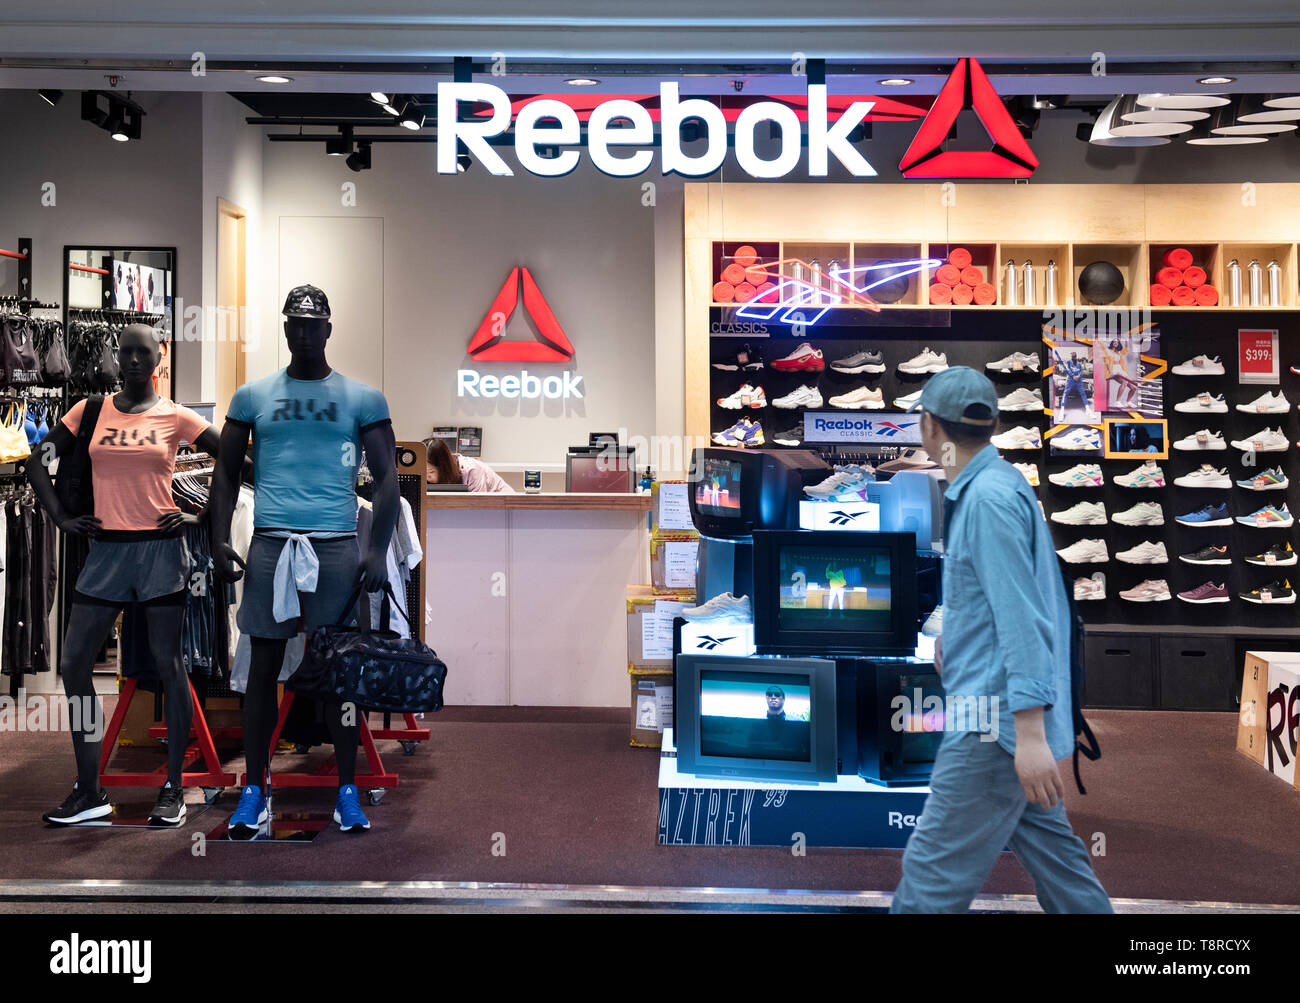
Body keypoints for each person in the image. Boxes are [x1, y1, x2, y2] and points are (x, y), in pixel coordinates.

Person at [892, 366, 1112, 913]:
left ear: (929, 426)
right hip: (1000, 714)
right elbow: (997, 597)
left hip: (992, 724)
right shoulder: (997, 483)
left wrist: (1030, 736)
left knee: (932, 873)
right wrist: (956, 639)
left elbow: (1023, 618)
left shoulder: (985, 500)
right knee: (1059, 865)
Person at [211, 284, 399, 837]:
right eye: (293, 322)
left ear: (328, 329)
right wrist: (220, 539)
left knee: (340, 674)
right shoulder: (252, 395)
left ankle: (346, 789)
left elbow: (388, 478)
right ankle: (255, 790)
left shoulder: (362, 398)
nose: (302, 332)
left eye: (312, 323)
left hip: (335, 545)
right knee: (262, 668)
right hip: (271, 542)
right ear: (285, 327)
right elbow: (224, 473)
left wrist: (377, 549)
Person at [29, 324, 223, 827]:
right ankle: (90, 789)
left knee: (169, 665)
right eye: (126, 353)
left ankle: (174, 789)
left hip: (160, 550)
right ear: (117, 358)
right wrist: (60, 518)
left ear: (160, 355)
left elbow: (236, 462)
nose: (134, 361)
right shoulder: (89, 411)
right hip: (107, 550)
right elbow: (38, 461)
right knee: (74, 665)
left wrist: (203, 518)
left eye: (144, 352)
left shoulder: (176, 416)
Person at [424, 437, 513, 493]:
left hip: (505, 508)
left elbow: (478, 506)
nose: (428, 477)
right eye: (424, 473)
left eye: (431, 472)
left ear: (444, 467)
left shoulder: (472, 470)